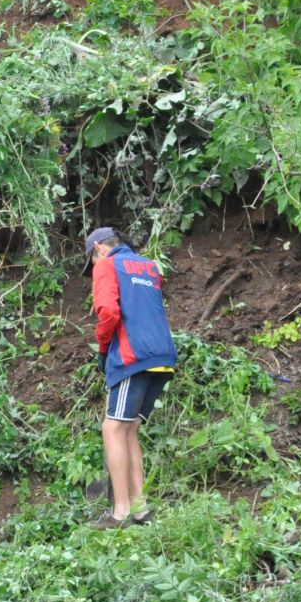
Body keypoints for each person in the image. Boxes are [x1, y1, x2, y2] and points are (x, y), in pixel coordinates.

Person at [85, 226, 176, 527]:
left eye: (92, 261)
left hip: (132, 356)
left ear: (99, 248)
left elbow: (109, 313)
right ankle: (141, 510)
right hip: (162, 357)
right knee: (129, 429)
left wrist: (102, 349)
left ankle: (120, 512)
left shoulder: (108, 265)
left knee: (112, 429)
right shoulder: (149, 266)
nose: (94, 268)